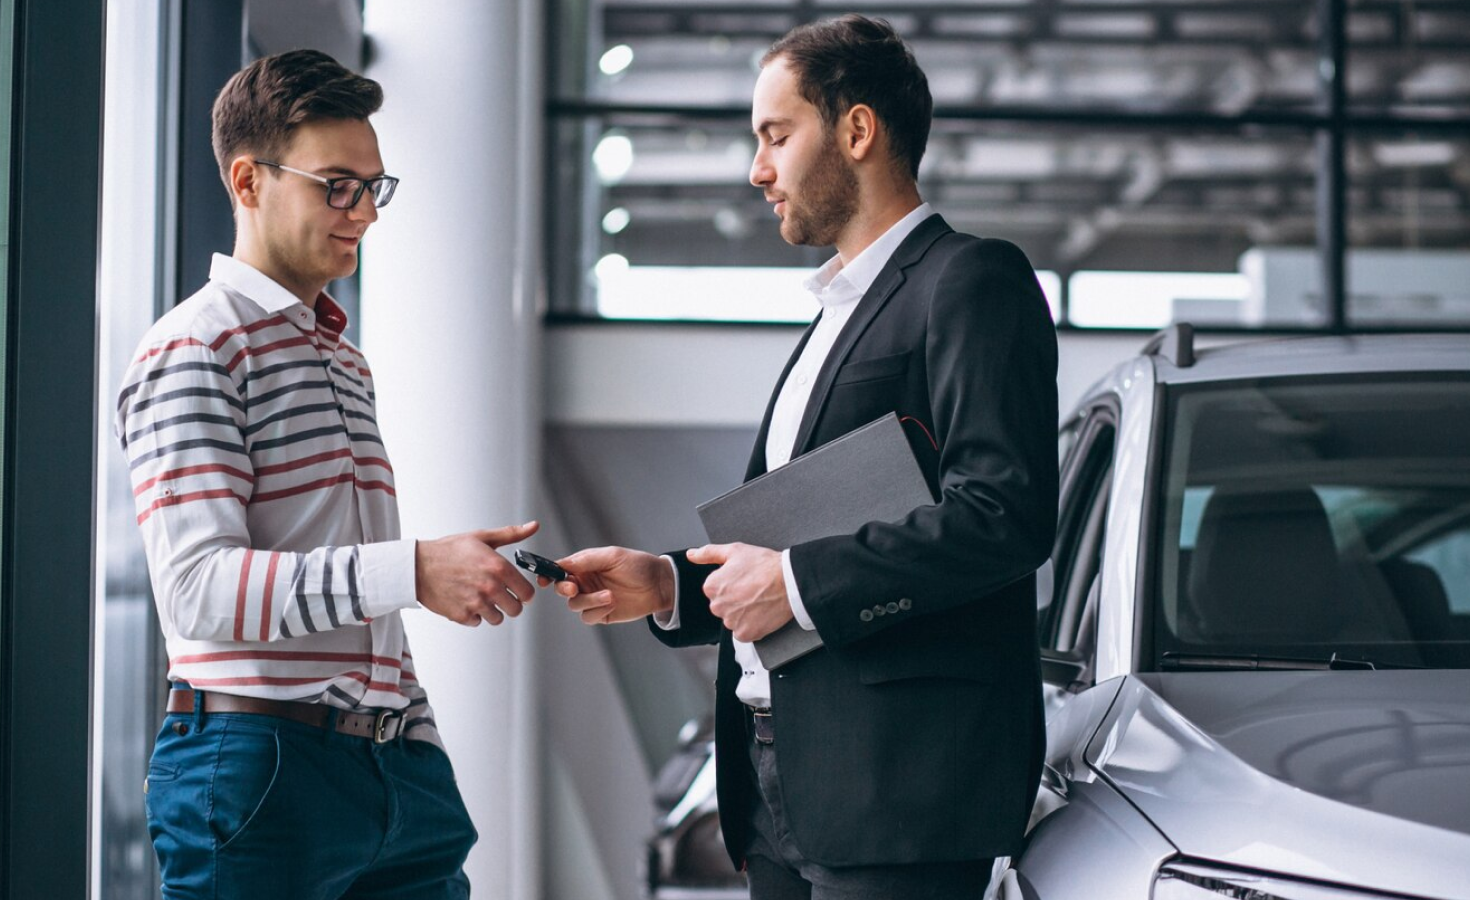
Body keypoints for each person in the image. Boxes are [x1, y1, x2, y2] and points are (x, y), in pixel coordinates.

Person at [555, 15, 1058, 900]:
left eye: (776, 136)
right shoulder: (832, 316)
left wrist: (792, 586)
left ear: (857, 131)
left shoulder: (971, 280)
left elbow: (1003, 515)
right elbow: (798, 535)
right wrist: (669, 584)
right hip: (783, 783)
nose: (757, 170)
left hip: (898, 793)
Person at [116, 49, 536, 898]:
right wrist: (414, 570)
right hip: (257, 768)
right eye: (337, 185)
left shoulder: (343, 360)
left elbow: (346, 586)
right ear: (247, 182)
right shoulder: (194, 346)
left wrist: (414, 736)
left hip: (393, 770)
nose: (364, 214)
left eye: (374, 187)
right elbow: (196, 588)